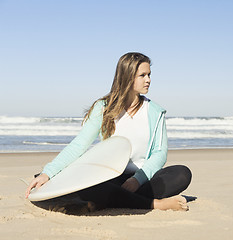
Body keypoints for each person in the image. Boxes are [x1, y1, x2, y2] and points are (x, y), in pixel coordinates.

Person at [25, 52, 192, 212]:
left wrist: (136, 180)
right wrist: (48, 173)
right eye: (143, 75)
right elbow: (80, 145)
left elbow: (159, 153)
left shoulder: (155, 111)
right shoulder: (104, 108)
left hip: (143, 178)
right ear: (128, 76)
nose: (148, 80)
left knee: (182, 174)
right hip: (108, 176)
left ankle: (113, 200)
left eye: (149, 75)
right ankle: (153, 204)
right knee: (93, 185)